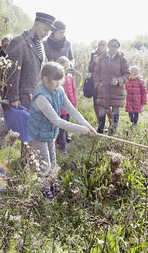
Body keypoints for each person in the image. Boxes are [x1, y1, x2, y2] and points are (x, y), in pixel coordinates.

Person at [27, 62, 97, 201]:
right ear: (45, 79)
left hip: (51, 132)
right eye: (55, 79)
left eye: (61, 78)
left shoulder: (60, 91)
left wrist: (88, 126)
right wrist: (80, 129)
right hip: (39, 133)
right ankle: (45, 189)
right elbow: (57, 120)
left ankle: (53, 182)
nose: (59, 82)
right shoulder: (41, 97)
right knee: (44, 162)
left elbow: (71, 109)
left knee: (53, 159)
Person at [6, 12, 55, 161]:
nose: (47, 34)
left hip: (35, 95)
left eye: (49, 31)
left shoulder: (40, 44)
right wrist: (13, 97)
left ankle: (30, 161)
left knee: (34, 132)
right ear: (37, 23)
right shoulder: (18, 41)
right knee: (27, 134)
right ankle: (26, 164)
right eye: (45, 30)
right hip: (23, 96)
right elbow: (12, 72)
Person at [93, 38, 130, 135]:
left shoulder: (122, 59)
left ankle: (112, 132)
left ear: (118, 47)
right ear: (108, 46)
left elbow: (127, 75)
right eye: (111, 45)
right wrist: (97, 85)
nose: (113, 47)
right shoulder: (102, 58)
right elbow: (96, 73)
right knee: (101, 112)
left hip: (117, 91)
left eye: (115, 46)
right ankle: (100, 131)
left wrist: (118, 80)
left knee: (115, 112)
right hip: (103, 89)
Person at [55, 56, 77, 154]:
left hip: (69, 107)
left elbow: (73, 91)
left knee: (67, 124)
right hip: (61, 108)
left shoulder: (70, 78)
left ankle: (61, 140)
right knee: (63, 127)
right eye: (65, 68)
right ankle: (63, 147)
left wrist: (74, 103)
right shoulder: (57, 81)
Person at [88, 40, 113, 124]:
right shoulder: (93, 55)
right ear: (98, 46)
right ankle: (99, 122)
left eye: (104, 45)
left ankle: (111, 123)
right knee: (96, 103)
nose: (102, 47)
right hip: (95, 83)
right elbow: (90, 69)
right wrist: (94, 63)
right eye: (101, 45)